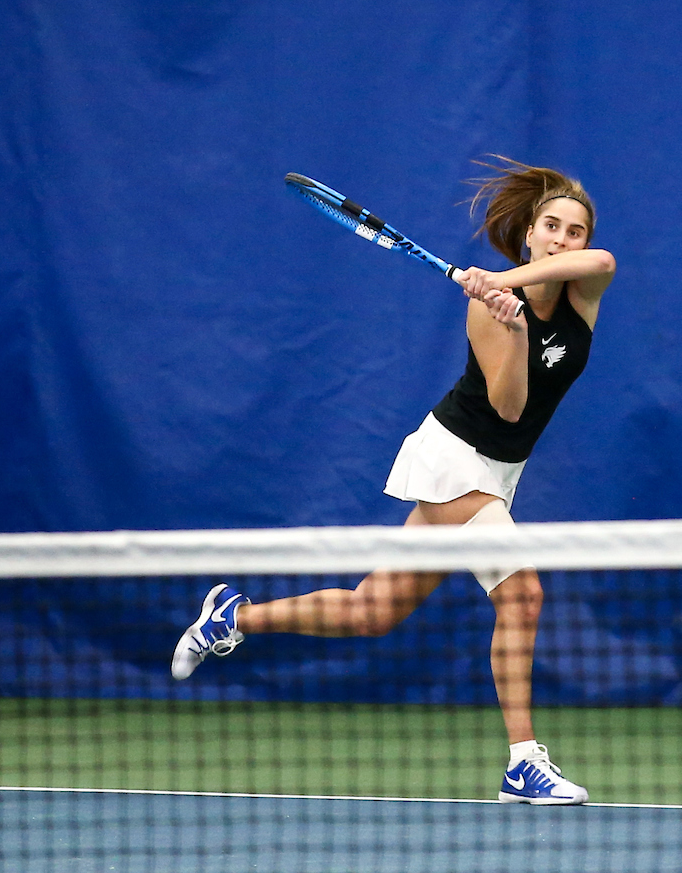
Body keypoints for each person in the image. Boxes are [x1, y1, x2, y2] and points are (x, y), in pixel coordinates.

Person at [171, 157, 616, 806]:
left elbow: (598, 263)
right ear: (529, 230)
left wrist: (505, 281)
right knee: (522, 596)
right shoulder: (489, 314)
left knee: (370, 612)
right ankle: (523, 761)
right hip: (454, 458)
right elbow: (513, 408)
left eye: (573, 230)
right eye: (551, 225)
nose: (562, 239)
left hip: (499, 473)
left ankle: (233, 616)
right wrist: (513, 325)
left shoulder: (583, 293)